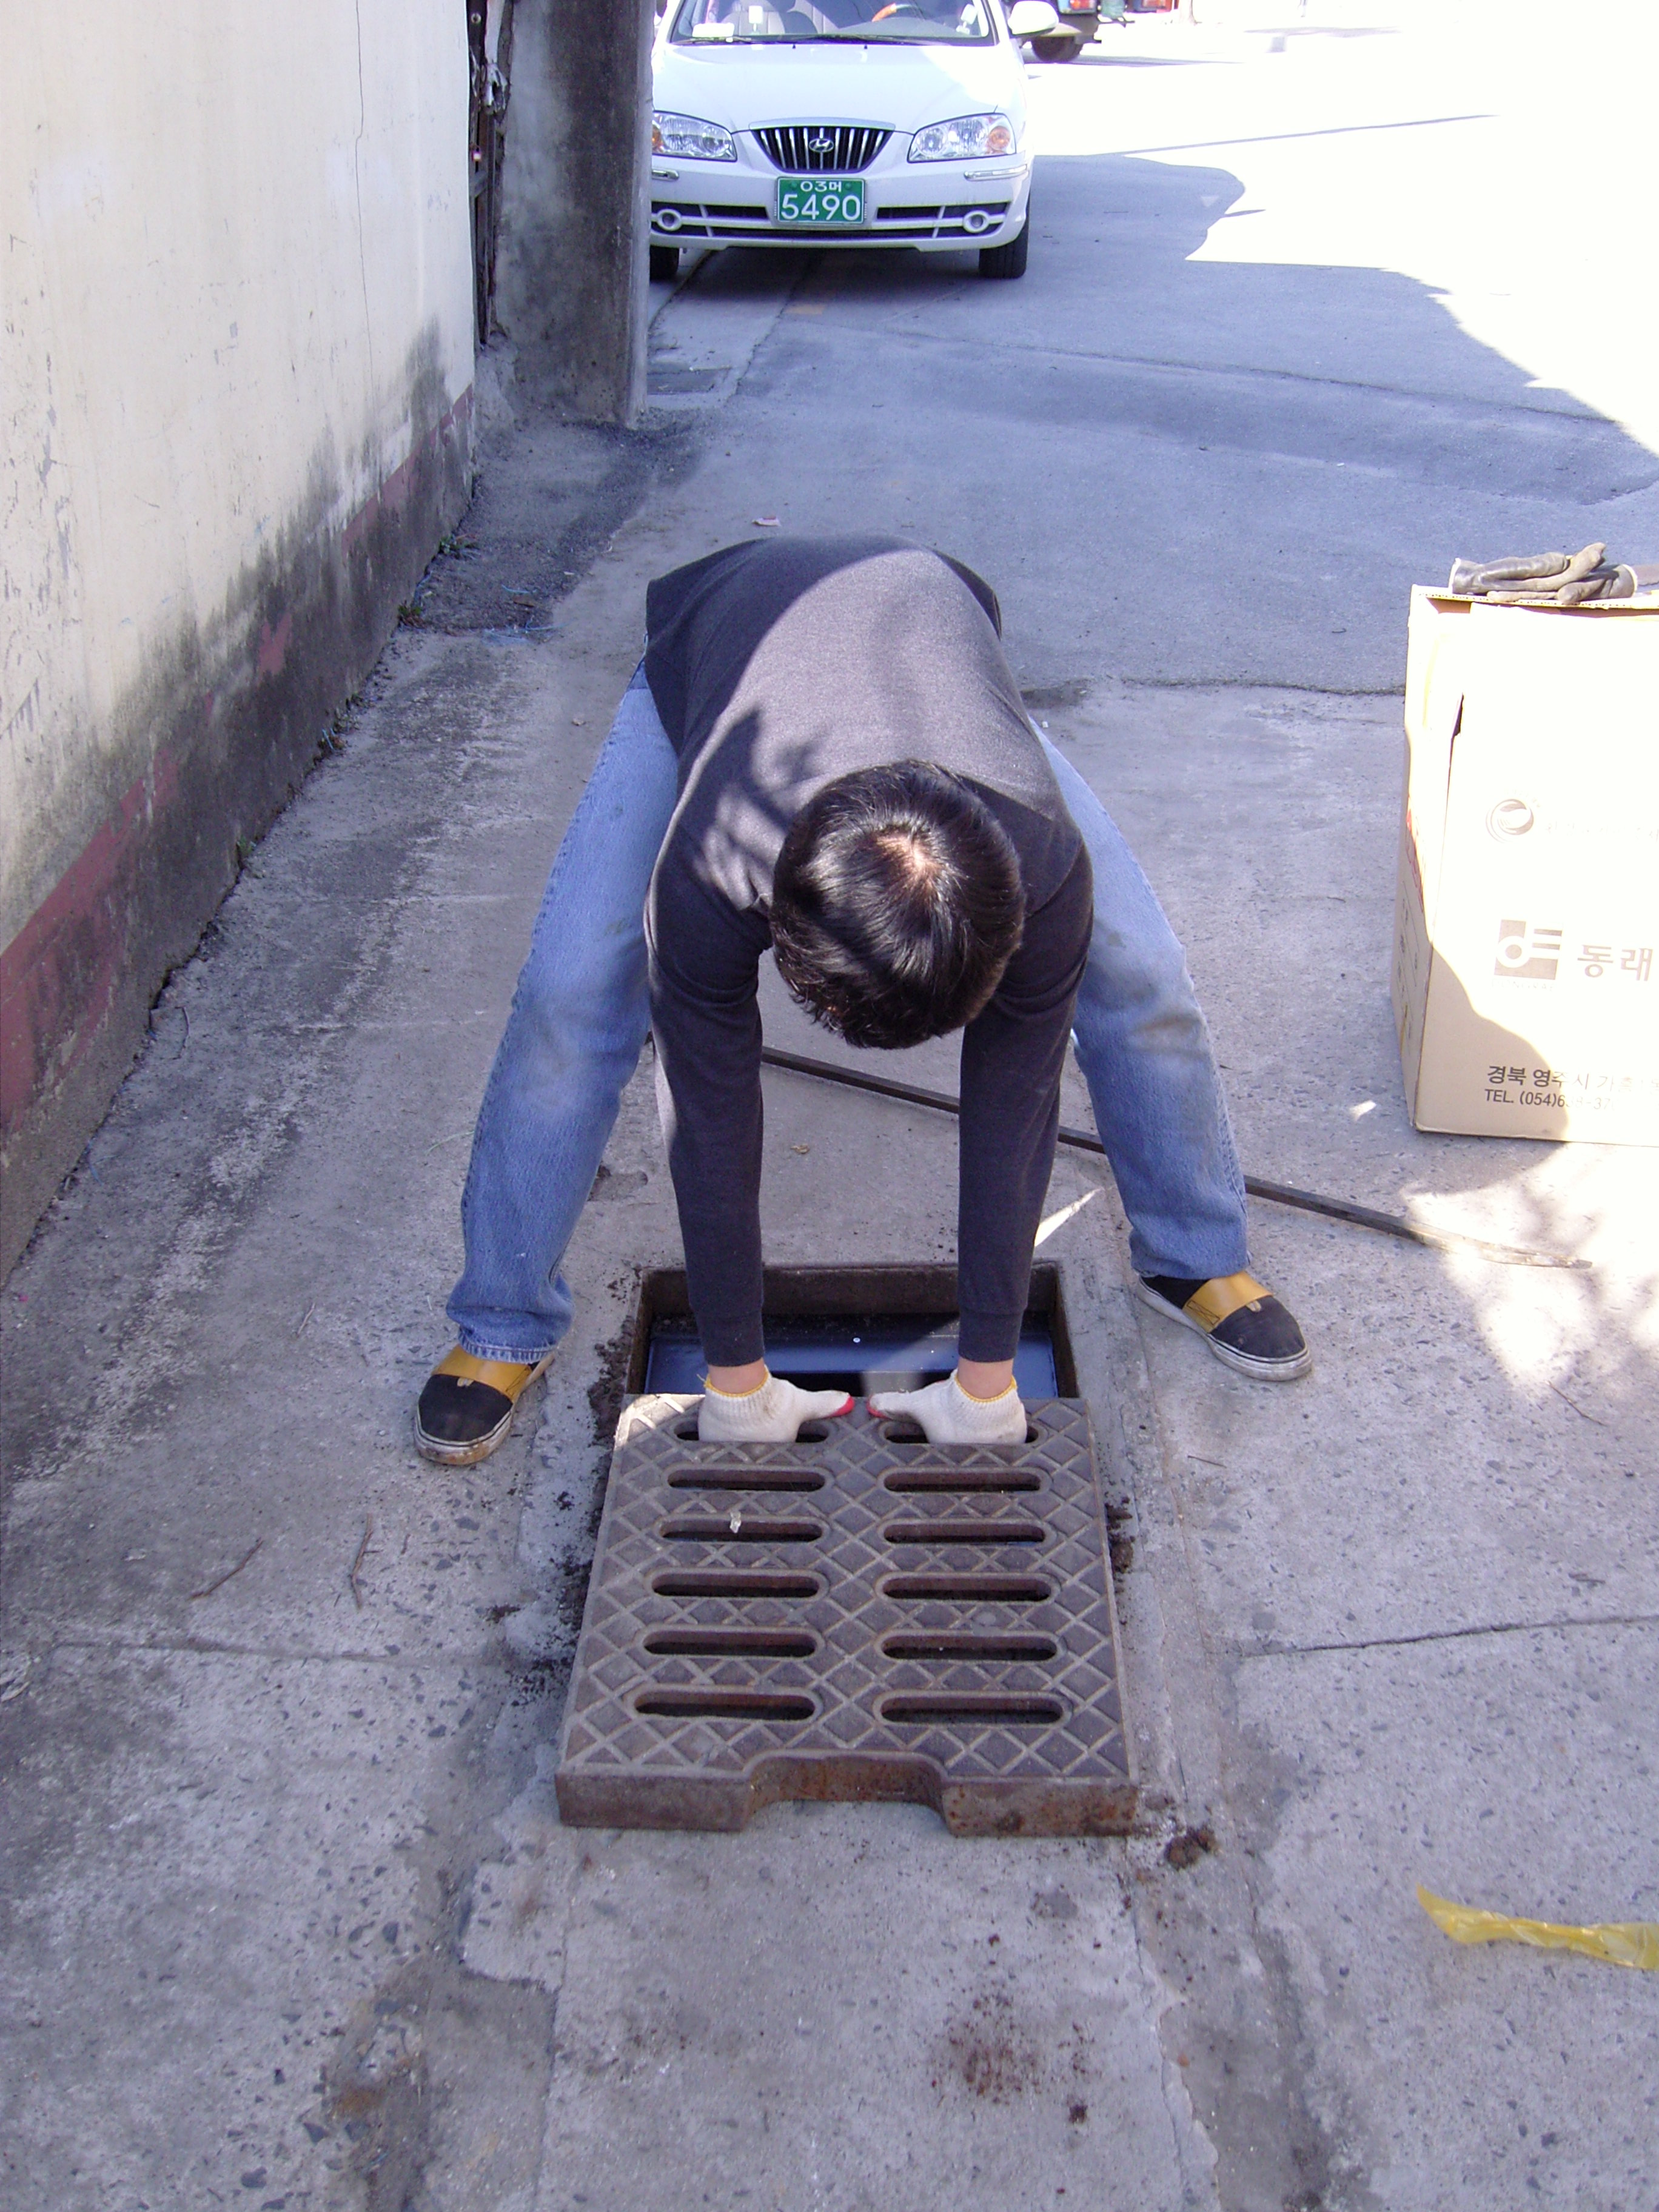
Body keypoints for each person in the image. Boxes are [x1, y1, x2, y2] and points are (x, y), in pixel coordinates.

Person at [415, 535, 1307, 1464]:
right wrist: (734, 1378)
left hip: (934, 632)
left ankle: (1191, 1251)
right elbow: (707, 1101)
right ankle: (502, 1318)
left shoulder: (1041, 868)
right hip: (721, 639)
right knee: (573, 991)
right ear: (777, 923)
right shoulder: (716, 860)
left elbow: (1017, 1100)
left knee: (1141, 971)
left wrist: (987, 1381)